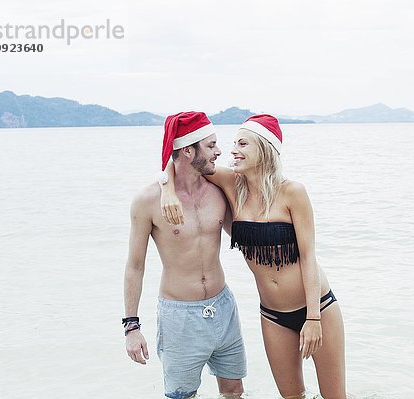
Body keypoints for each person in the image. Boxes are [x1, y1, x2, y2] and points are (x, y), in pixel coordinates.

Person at [160, 115, 346, 399]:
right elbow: (182, 166)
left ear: (265, 149)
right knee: (291, 397)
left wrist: (313, 318)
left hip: (317, 307)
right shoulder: (232, 185)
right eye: (234, 143)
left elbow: (309, 257)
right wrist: (167, 191)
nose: (233, 149)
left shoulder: (292, 192)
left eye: (243, 143)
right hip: (272, 316)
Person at [123, 111, 246, 399]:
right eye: (211, 145)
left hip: (224, 307)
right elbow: (135, 266)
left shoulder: (218, 188)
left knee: (234, 391)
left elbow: (243, 236)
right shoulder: (148, 200)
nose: (219, 151)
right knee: (182, 395)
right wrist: (131, 327)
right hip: (179, 317)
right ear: (189, 151)